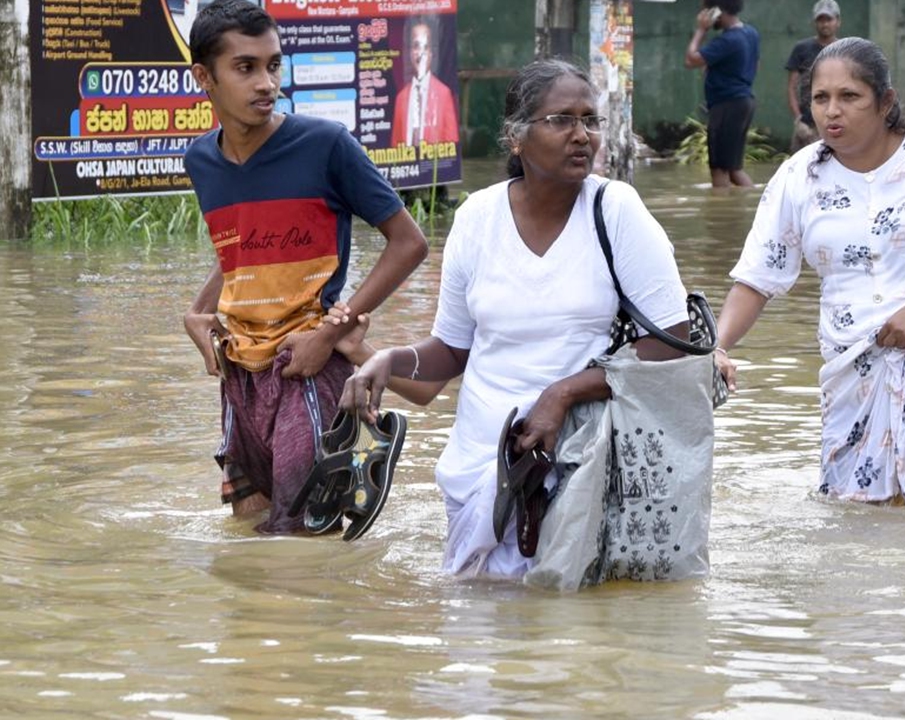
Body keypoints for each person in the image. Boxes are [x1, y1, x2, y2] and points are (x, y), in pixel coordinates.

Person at [340, 58, 691, 578]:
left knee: (561, 632)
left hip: (575, 458)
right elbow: (453, 351)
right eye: (562, 120)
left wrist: (562, 394)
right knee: (478, 636)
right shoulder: (476, 219)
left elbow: (673, 342)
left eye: (590, 120)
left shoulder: (616, 210)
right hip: (480, 464)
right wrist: (386, 360)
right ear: (516, 138)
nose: (582, 136)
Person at [713, 37, 905, 510]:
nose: (831, 112)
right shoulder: (799, 178)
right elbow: (757, 279)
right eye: (821, 98)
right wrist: (715, 347)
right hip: (852, 369)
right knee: (860, 529)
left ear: (885, 102)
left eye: (849, 97)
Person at [181, 0, 429, 534]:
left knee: (300, 537)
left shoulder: (325, 145)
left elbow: (409, 243)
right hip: (239, 375)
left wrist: (331, 330)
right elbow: (242, 250)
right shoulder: (201, 160)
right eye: (245, 68)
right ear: (205, 77)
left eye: (273, 65)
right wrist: (196, 312)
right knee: (249, 526)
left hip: (306, 369)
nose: (266, 82)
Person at [684, 0, 760, 188]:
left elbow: (690, 60)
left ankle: (721, 216)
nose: (703, 15)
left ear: (718, 11)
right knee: (733, 169)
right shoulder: (750, 33)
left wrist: (701, 30)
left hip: (727, 104)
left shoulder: (728, 40)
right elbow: (756, 63)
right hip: (743, 101)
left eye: (706, 11)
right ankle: (754, 207)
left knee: (719, 169)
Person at [390, 19, 460, 148]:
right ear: (410, 52)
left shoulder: (443, 94)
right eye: (416, 46)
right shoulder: (401, 98)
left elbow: (452, 144)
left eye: (425, 47)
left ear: (431, 53)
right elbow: (395, 146)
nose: (420, 53)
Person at [785, 0, 841, 152]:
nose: (825, 24)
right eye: (820, 20)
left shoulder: (845, 50)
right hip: (807, 124)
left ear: (838, 22)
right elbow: (791, 87)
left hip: (834, 123)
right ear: (814, 23)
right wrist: (798, 121)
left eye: (829, 19)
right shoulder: (802, 48)